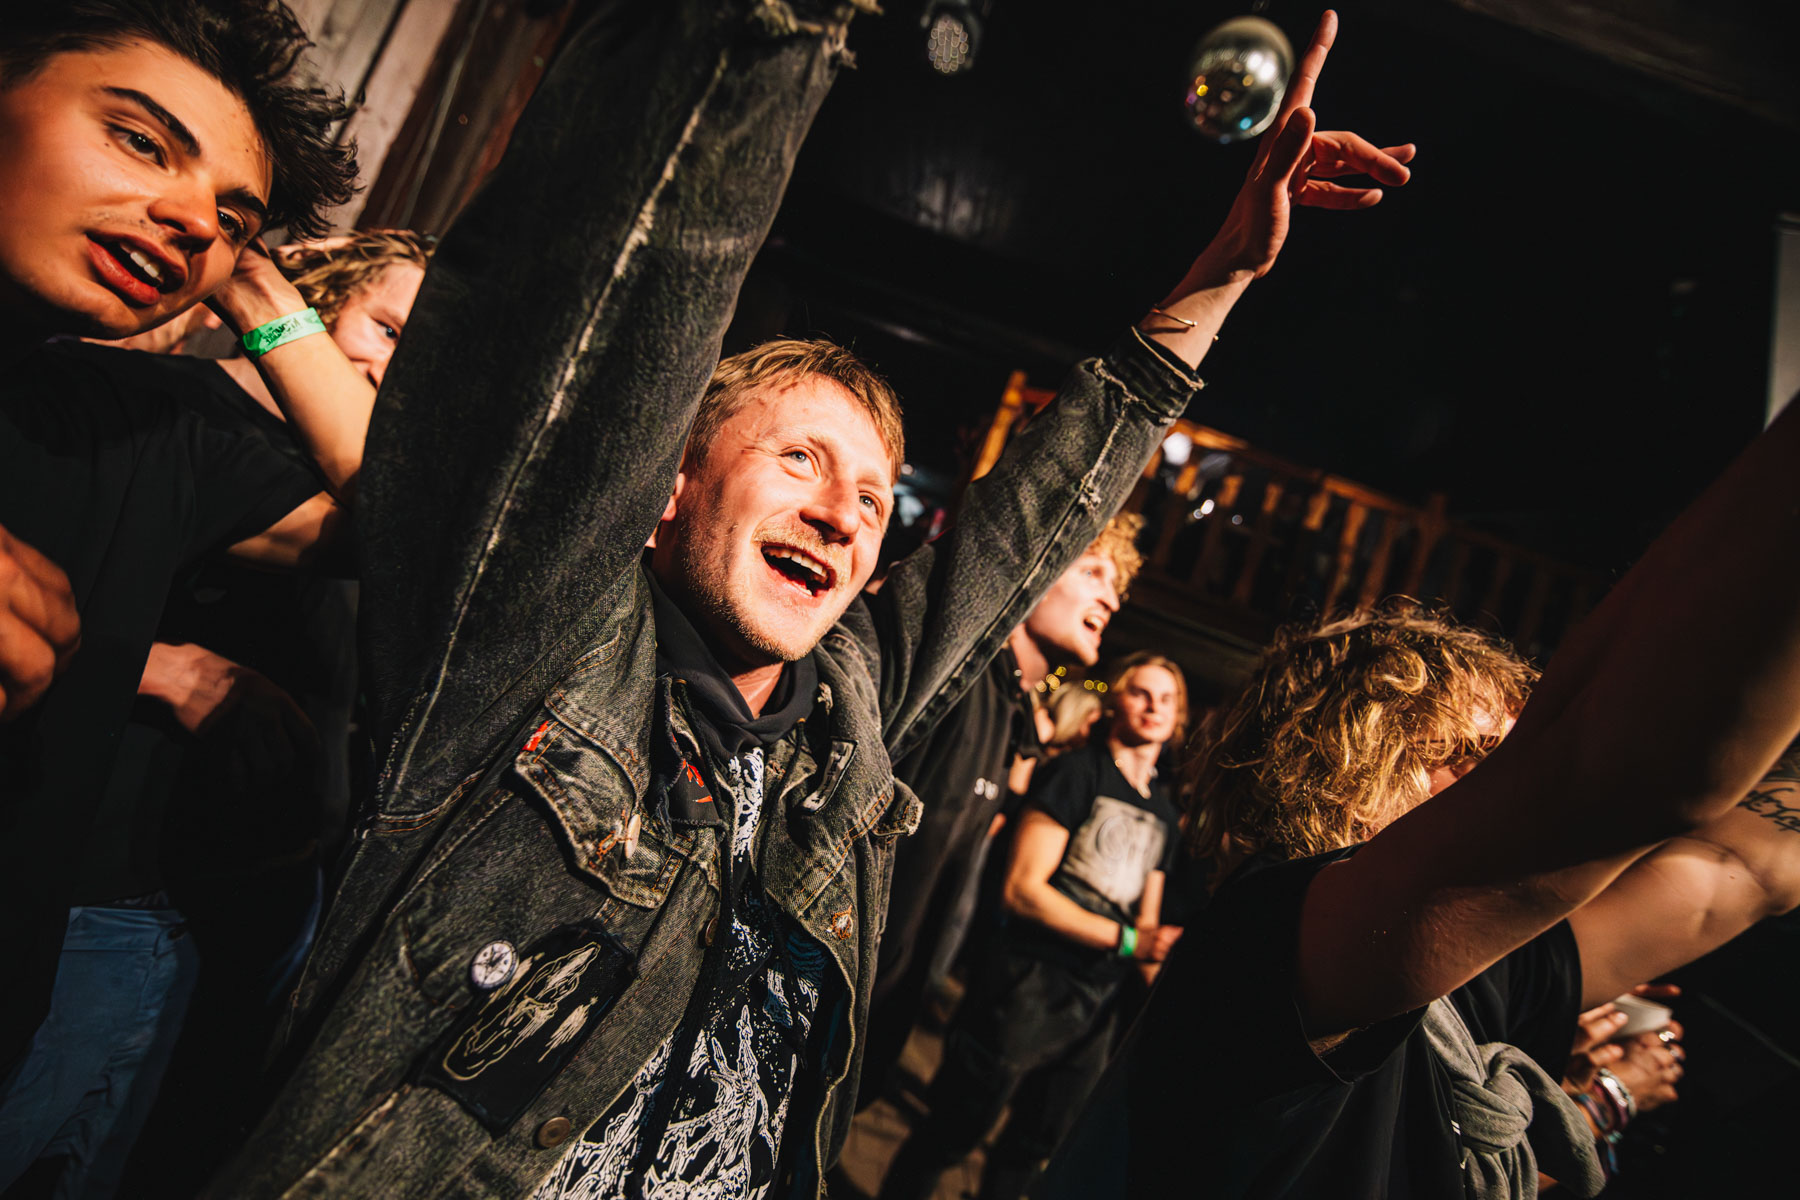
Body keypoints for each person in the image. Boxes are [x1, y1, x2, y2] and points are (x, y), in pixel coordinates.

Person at [203, 6, 1413, 1197]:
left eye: (875, 498)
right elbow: (645, 288)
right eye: (800, 460)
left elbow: (1027, 518)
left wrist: (1222, 275)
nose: (844, 513)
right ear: (668, 487)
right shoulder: (545, 643)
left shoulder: (850, 717)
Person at [1045, 591, 1800, 1199]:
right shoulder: (1271, 934)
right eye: (1474, 756)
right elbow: (1659, 776)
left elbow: (1741, 870)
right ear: (1350, 753)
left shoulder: (1470, 968)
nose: (1509, 791)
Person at [0, 1, 371, 1188]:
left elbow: (420, 531)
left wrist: (258, 292)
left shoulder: (145, 431)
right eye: (140, 140)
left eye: (231, 217)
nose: (190, 218)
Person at [858, 513, 1144, 1108]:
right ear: (1037, 564)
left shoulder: (1009, 709)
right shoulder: (952, 680)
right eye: (1093, 572)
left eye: (1116, 585)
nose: (1111, 599)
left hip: (874, 1032)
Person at [879, 653, 1188, 1200]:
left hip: (1097, 1002)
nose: (1153, 707)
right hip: (1027, 983)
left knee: (1034, 1147)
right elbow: (1023, 889)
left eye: (1166, 699)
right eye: (1141, 692)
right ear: (1116, 699)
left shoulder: (1163, 813)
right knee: (954, 1130)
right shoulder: (1077, 773)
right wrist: (1128, 941)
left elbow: (1148, 920)